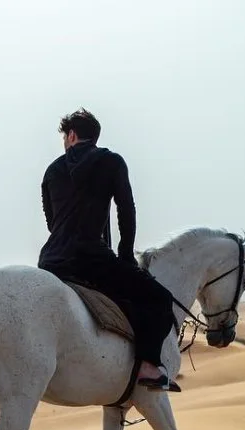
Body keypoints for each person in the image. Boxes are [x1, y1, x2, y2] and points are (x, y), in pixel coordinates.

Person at [37, 108, 180, 392]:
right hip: (91, 260)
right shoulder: (111, 161)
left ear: (72, 135)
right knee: (160, 301)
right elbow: (126, 210)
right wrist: (125, 255)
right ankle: (148, 367)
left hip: (50, 262)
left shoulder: (52, 170)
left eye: (64, 137)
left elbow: (53, 222)